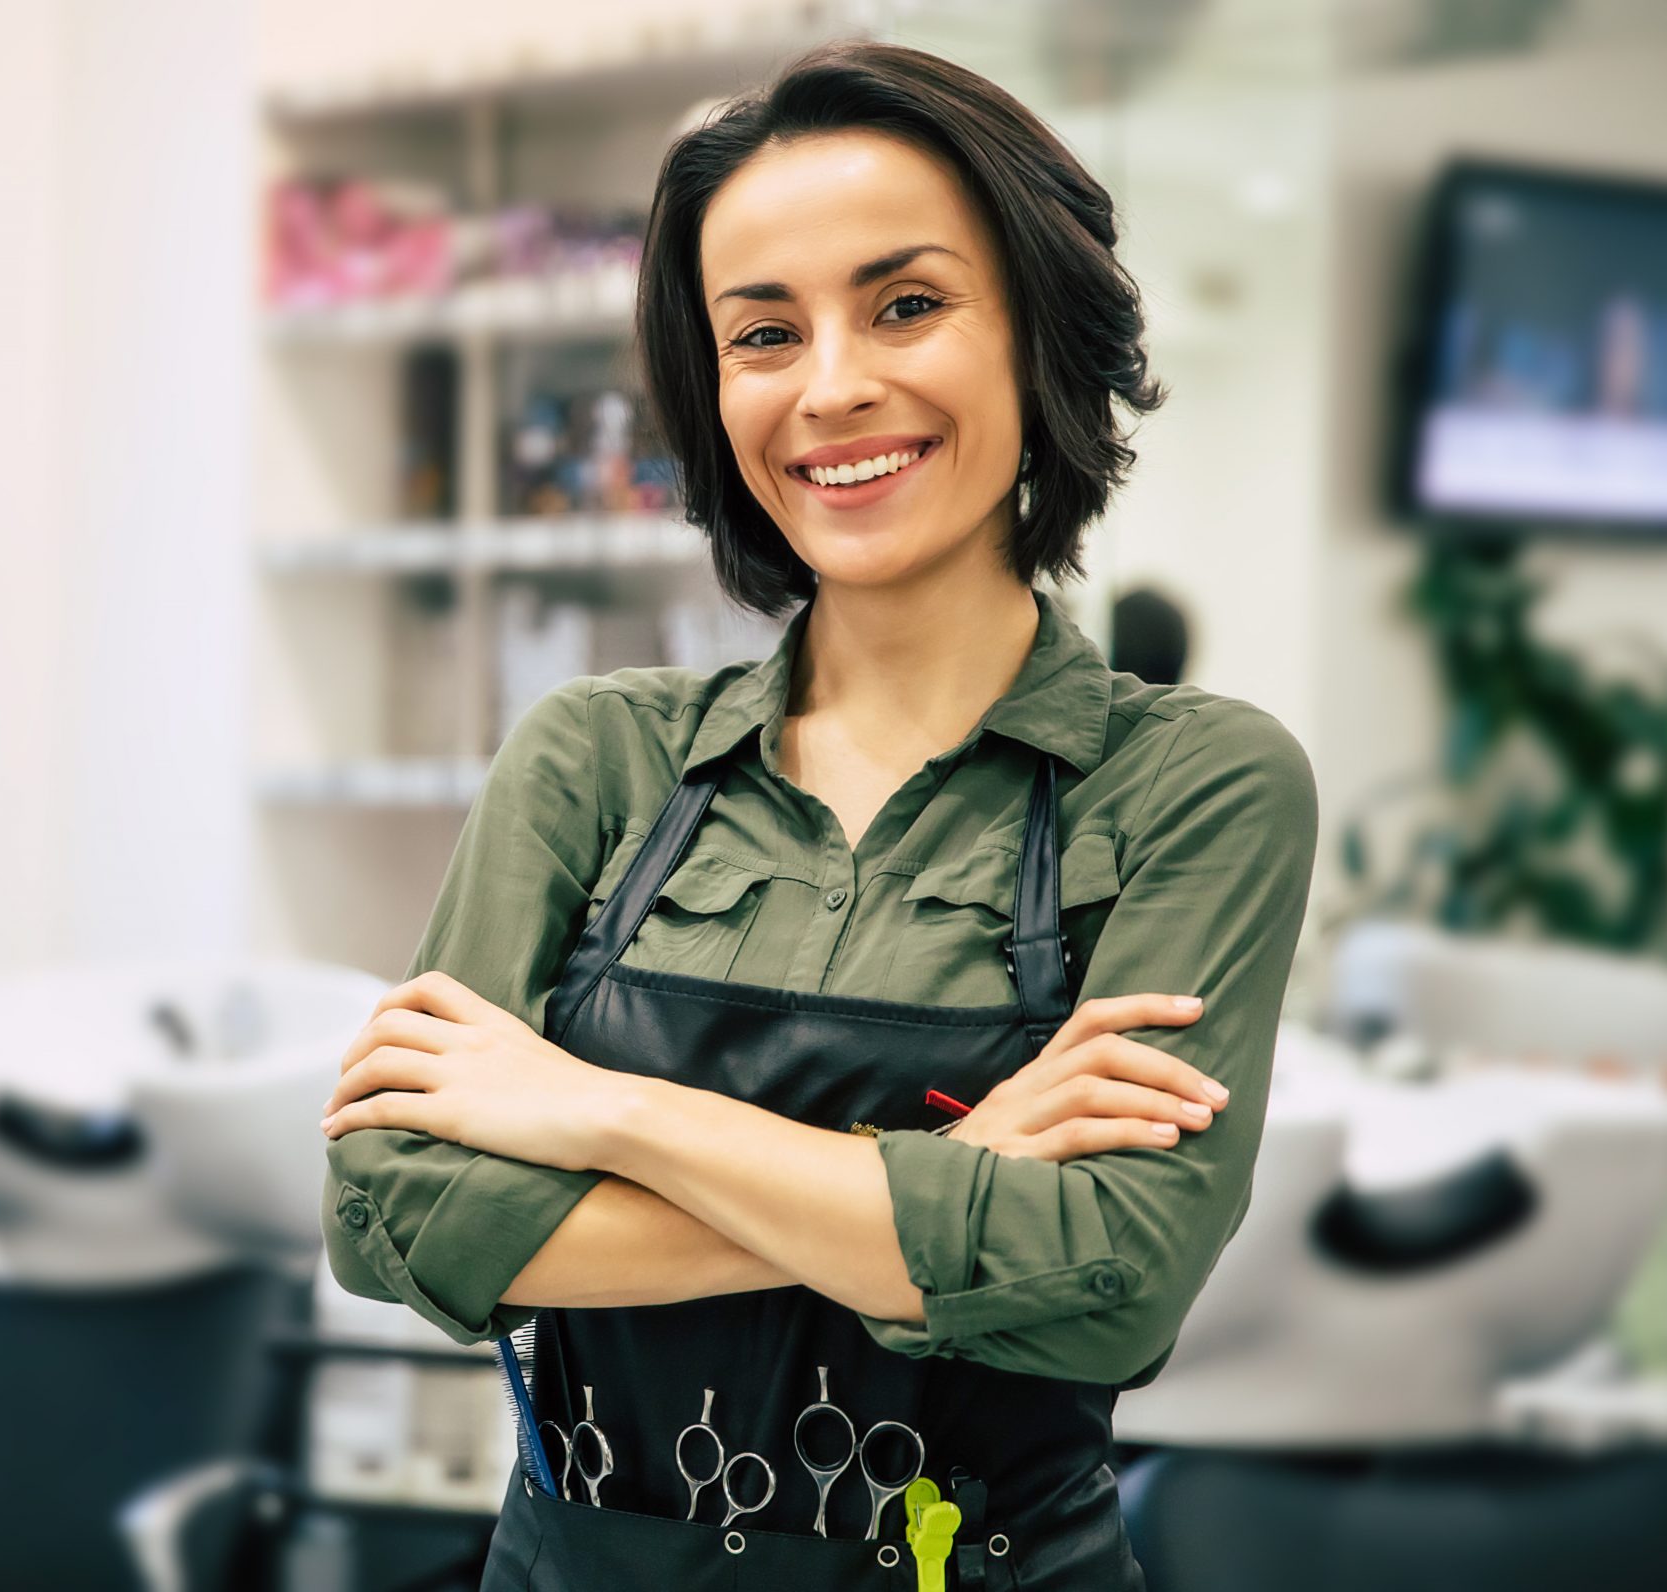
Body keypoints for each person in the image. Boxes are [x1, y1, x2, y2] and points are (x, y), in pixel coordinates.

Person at [318, 39, 1317, 1591]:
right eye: (762, 333)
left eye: (905, 305)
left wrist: (602, 1114)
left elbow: (1112, 1282)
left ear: (1034, 333)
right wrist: (946, 1182)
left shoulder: (1196, 783)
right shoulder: (598, 757)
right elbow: (395, 1220)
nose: (834, 384)